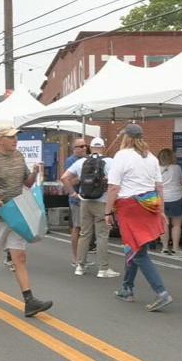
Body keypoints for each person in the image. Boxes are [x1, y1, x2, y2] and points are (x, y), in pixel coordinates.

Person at [0, 123, 52, 317]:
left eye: (16, 137)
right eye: (11, 137)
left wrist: (34, 173)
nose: (15, 140)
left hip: (17, 213)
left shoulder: (18, 156)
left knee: (20, 257)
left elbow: (26, 183)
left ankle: (29, 301)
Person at [105, 124, 173, 311]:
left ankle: (162, 292)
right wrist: (161, 210)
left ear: (126, 137)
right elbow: (159, 186)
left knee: (139, 252)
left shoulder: (122, 156)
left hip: (130, 206)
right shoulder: (151, 157)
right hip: (150, 204)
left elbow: (113, 187)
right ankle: (127, 287)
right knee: (133, 248)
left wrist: (107, 211)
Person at [61, 138, 119, 278]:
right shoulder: (110, 162)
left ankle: (80, 266)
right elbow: (114, 185)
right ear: (103, 147)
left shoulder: (81, 162)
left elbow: (64, 178)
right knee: (102, 235)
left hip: (85, 201)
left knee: (84, 234)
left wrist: (74, 193)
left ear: (90, 148)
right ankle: (103, 269)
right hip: (102, 202)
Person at [65, 138, 88, 269]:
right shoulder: (71, 161)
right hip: (76, 199)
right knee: (77, 228)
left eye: (85, 146)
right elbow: (68, 181)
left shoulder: (87, 159)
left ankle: (82, 257)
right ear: (74, 148)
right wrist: (82, 177)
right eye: (80, 146)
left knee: (85, 230)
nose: (84, 148)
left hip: (87, 198)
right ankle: (76, 258)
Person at [157, 148, 182, 255]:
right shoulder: (177, 168)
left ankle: (164, 247)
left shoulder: (157, 169)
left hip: (161, 198)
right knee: (176, 225)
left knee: (164, 223)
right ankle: (176, 248)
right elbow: (181, 180)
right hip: (176, 197)